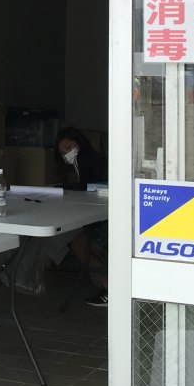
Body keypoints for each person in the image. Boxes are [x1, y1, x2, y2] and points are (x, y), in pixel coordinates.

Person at [57, 128, 110, 306]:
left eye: (68, 147)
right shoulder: (89, 157)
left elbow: (87, 187)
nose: (66, 153)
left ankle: (108, 288)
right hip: (104, 213)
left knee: (79, 243)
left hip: (104, 216)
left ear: (78, 143)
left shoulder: (83, 158)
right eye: (62, 151)